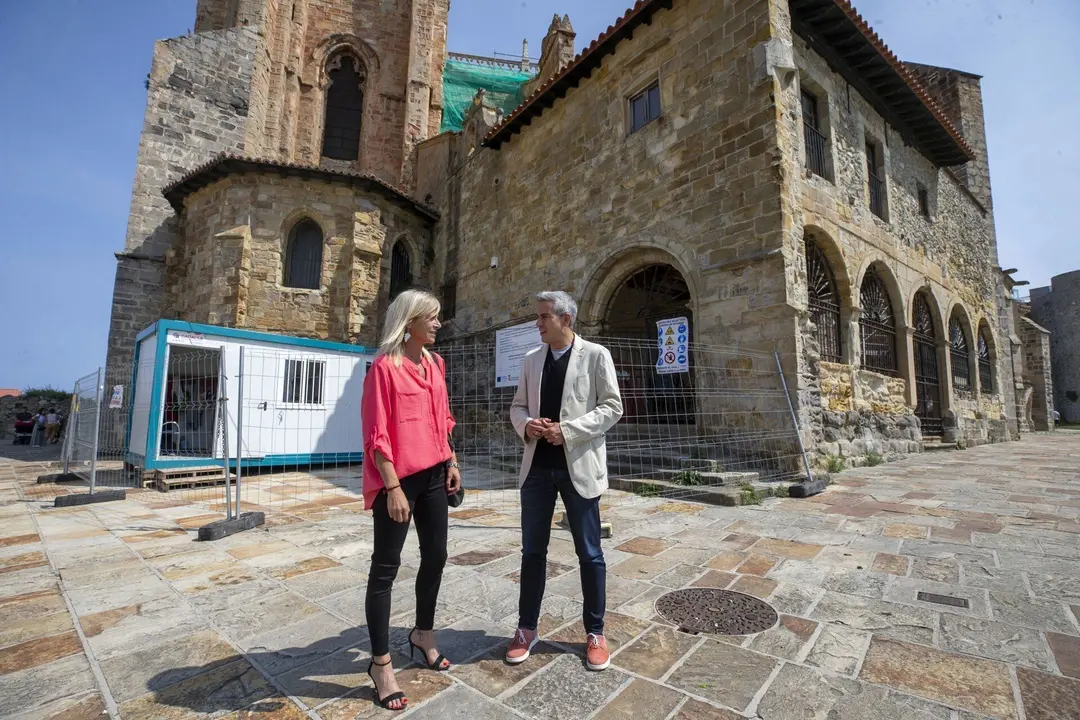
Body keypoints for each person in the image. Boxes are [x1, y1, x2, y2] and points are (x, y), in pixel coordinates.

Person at [506, 291, 624, 671]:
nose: (537, 324)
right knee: (532, 553)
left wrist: (568, 430)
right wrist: (529, 424)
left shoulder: (596, 355)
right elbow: (517, 406)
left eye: (543, 317)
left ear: (565, 319)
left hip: (580, 468)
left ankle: (595, 632)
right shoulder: (530, 361)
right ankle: (526, 628)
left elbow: (612, 407)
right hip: (537, 469)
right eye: (537, 316)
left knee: (590, 553)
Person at [360, 289, 462, 711]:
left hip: (437, 473)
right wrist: (393, 487)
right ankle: (381, 664)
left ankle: (423, 633)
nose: (439, 324)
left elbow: (442, 417)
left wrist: (453, 458)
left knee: (435, 555)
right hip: (399, 480)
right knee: (385, 567)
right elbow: (376, 433)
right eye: (432, 318)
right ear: (411, 322)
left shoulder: (436, 364)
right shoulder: (384, 368)